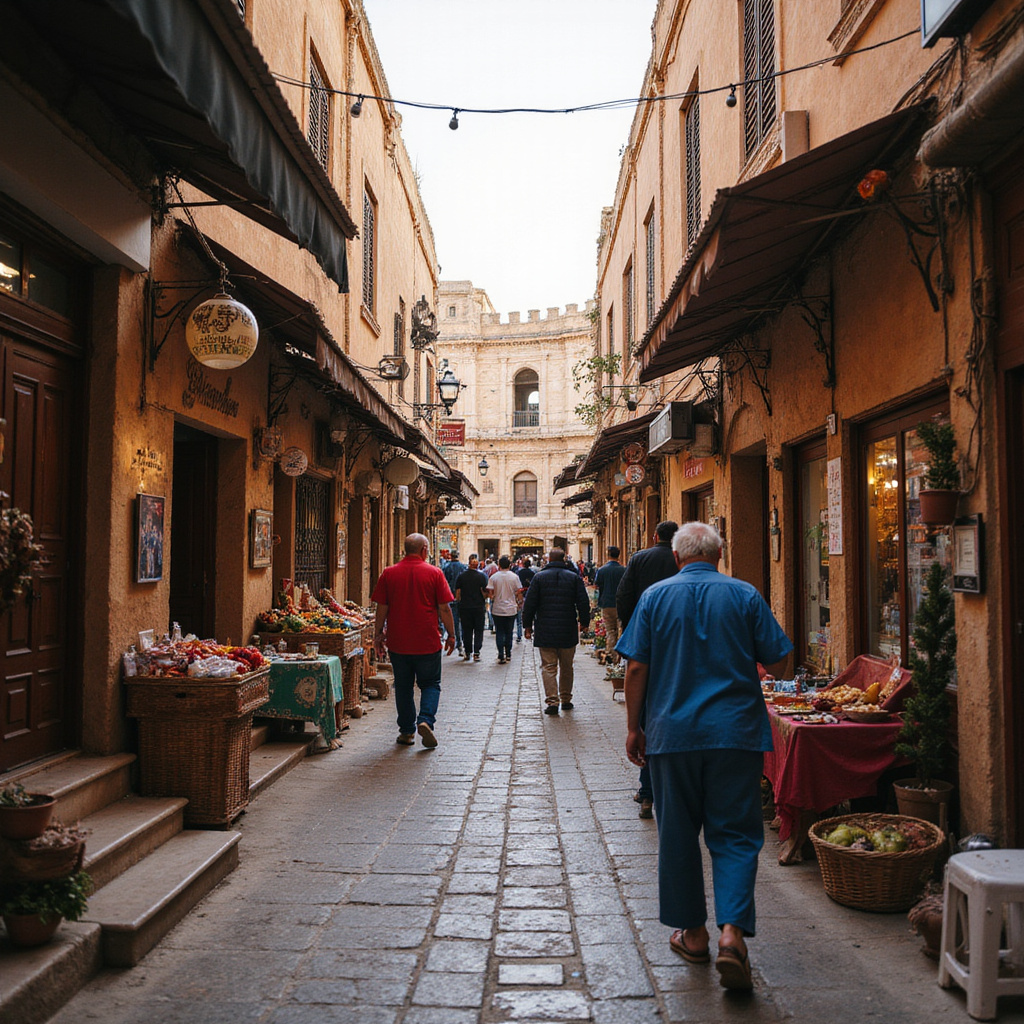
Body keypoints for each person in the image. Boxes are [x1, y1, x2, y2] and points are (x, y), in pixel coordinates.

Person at [617, 522, 792, 992]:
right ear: (718, 555)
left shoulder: (655, 598)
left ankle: (693, 935)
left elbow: (636, 665)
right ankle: (732, 934)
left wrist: (634, 726)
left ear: (677, 558)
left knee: (677, 833)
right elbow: (779, 662)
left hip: (672, 736)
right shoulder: (745, 596)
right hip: (735, 734)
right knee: (735, 835)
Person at [617, 520, 680, 819]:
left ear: (655, 536)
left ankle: (647, 793)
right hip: (681, 650)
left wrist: (633, 632)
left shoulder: (640, 558)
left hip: (649, 647)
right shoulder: (684, 559)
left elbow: (623, 597)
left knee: (647, 717)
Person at [371, 533, 456, 750]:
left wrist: (378, 634)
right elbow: (444, 608)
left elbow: (382, 607)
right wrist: (452, 634)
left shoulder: (389, 574)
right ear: (425, 550)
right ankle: (425, 720)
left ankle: (407, 732)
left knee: (403, 686)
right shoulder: (434, 573)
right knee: (430, 684)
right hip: (427, 640)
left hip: (398, 642)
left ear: (404, 550)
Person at [522, 547, 591, 716]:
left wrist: (527, 625)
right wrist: (584, 622)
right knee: (567, 666)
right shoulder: (573, 578)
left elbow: (530, 604)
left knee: (548, 666)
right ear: (564, 560)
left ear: (549, 560)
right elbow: (583, 602)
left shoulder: (539, 578)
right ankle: (566, 699)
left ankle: (552, 701)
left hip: (545, 627)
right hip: (567, 627)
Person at [594, 546, 626, 666]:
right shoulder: (623, 570)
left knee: (610, 631)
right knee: (620, 629)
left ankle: (612, 655)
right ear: (619, 555)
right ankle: (620, 656)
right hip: (620, 604)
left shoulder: (602, 570)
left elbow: (597, 586)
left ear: (608, 555)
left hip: (606, 604)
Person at [486, 555, 521, 664]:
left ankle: (501, 654)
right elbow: (518, 592)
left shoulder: (494, 577)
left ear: (499, 565)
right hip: (511, 608)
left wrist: (493, 597)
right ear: (510, 565)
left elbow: (490, 594)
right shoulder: (514, 577)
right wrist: (519, 603)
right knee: (509, 632)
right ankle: (508, 653)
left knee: (500, 632)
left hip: (498, 608)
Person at [455, 554, 489, 662]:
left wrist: (459, 602)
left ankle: (467, 652)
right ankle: (477, 652)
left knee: (466, 630)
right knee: (479, 630)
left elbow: (458, 594)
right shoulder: (482, 577)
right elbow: (485, 593)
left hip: (465, 607)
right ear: (477, 564)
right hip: (478, 607)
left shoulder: (461, 576)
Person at [442, 549, 467, 656]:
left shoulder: (446, 568)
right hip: (461, 598)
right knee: (461, 623)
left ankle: (453, 641)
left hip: (449, 597)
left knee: (450, 620)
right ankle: (460, 644)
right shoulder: (463, 568)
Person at [515, 557, 538, 643]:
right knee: (534, 614)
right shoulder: (533, 573)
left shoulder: (519, 573)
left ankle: (519, 634)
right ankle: (534, 630)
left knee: (520, 617)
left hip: (521, 594)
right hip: (530, 593)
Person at [482, 555, 499, 631]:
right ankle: (494, 624)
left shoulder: (486, 570)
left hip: (488, 591)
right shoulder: (496, 568)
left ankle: (491, 624)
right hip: (495, 591)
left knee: (489, 608)